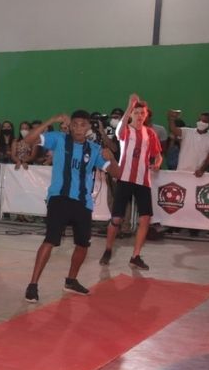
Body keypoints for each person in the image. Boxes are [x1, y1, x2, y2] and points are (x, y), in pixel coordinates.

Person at [20, 111, 115, 303]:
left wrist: (111, 157)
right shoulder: (59, 139)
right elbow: (29, 140)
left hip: (83, 202)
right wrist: (51, 120)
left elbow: (118, 173)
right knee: (50, 240)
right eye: (76, 124)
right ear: (70, 126)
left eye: (83, 125)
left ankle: (71, 280)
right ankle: (32, 285)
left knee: (82, 244)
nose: (79, 128)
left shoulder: (95, 149)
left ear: (88, 127)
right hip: (59, 198)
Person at [99, 94, 163, 270]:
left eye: (142, 112)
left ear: (146, 115)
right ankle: (108, 249)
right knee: (117, 218)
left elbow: (157, 154)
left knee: (145, 218)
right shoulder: (126, 130)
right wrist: (129, 105)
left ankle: (135, 256)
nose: (140, 115)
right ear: (132, 114)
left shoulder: (150, 133)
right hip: (125, 178)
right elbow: (119, 131)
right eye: (136, 112)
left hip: (143, 180)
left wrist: (157, 163)